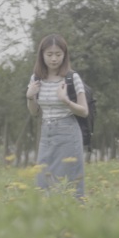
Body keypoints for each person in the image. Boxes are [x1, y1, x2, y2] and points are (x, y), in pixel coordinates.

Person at [26, 34, 89, 200]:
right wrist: (30, 96)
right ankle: (47, 219)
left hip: (68, 132)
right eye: (49, 54)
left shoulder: (72, 78)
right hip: (46, 132)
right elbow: (34, 112)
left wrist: (65, 100)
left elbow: (84, 111)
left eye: (58, 54)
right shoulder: (36, 78)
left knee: (69, 181)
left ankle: (74, 219)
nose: (54, 59)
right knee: (43, 180)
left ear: (64, 55)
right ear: (42, 55)